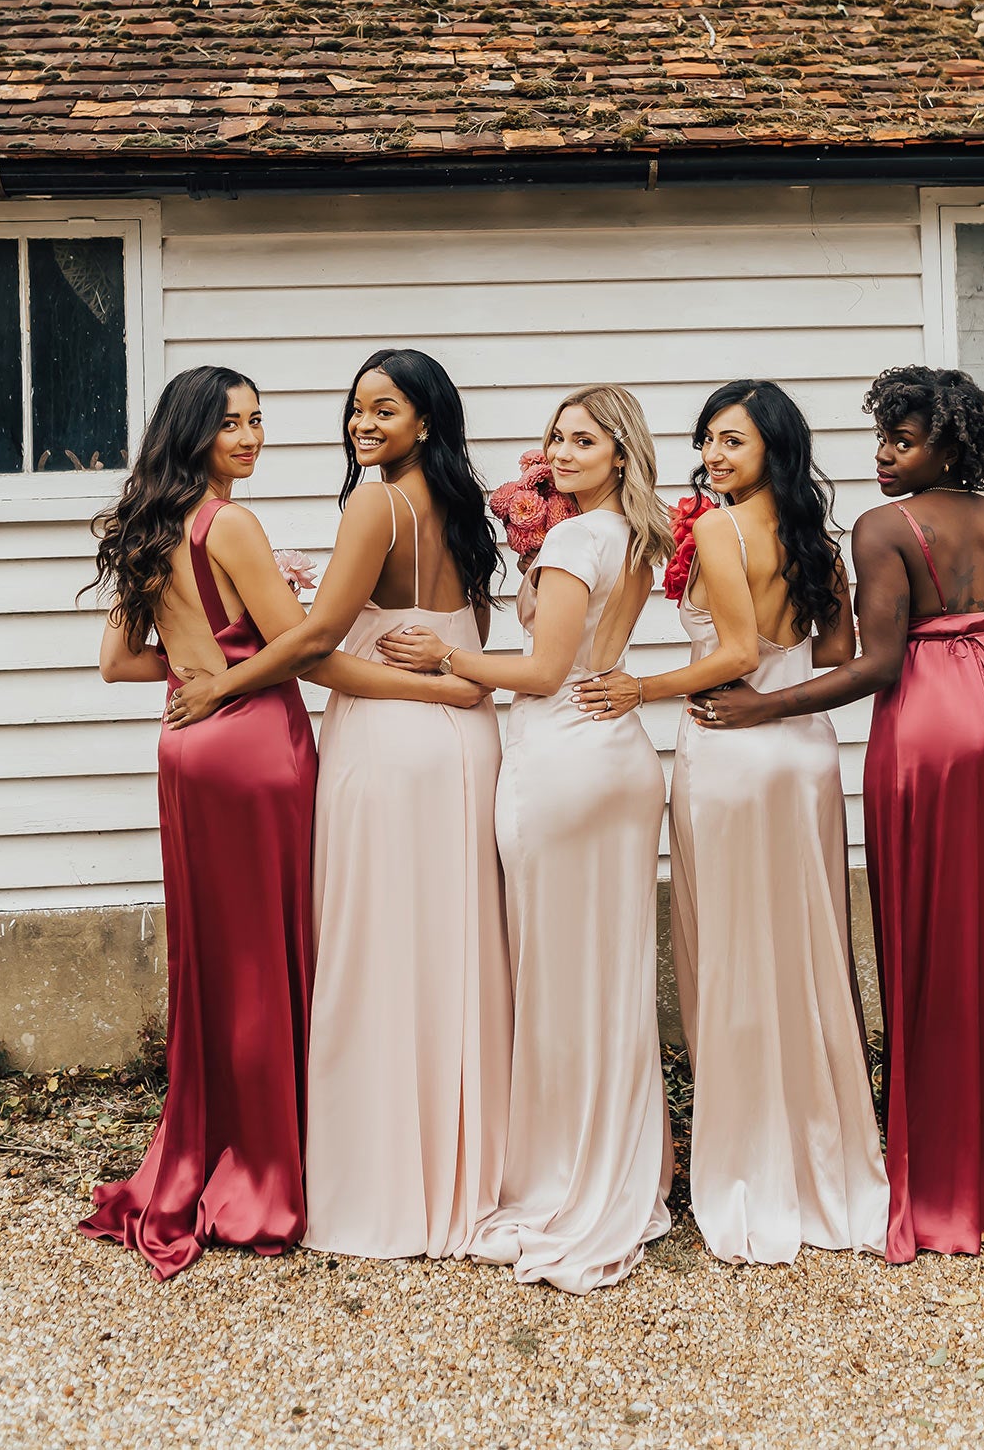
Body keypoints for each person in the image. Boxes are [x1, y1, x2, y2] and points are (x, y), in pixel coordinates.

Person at [690, 366, 984, 1262]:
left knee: (937, 941)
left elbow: (875, 667)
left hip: (926, 737)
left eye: (901, 442)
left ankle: (951, 1177)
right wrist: (983, 690)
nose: (882, 455)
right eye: (881, 437)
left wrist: (763, 706)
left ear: (951, 448)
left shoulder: (885, 527)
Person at [80, 365, 438, 1280]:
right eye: (231, 423)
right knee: (271, 957)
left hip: (185, 747)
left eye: (258, 420)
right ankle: (272, 1173)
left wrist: (200, 665)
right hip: (252, 750)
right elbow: (308, 645)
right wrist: (423, 682)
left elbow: (122, 663)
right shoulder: (231, 523)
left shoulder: (151, 526)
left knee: (216, 958)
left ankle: (214, 1146)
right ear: (194, 431)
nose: (250, 436)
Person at [165, 349, 510, 1261]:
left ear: (425, 422)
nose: (363, 424)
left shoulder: (375, 501)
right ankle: (468, 1169)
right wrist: (458, 692)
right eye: (356, 409)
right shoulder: (464, 507)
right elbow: (454, 635)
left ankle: (385, 1186)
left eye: (384, 411)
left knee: (378, 954)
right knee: (456, 951)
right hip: (467, 746)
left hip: (392, 737)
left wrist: (220, 684)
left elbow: (316, 648)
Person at [575, 380, 889, 1263]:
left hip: (728, 744)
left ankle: (750, 1161)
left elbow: (737, 655)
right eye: (708, 440)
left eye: (733, 442)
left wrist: (641, 686)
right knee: (805, 946)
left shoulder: (714, 530)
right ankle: (822, 1154)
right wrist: (780, 699)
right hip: (806, 750)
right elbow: (832, 657)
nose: (714, 457)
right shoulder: (820, 546)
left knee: (733, 946)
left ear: (772, 450)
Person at [384, 385, 674, 1293]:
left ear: (621, 454)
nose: (562, 451)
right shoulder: (632, 535)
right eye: (556, 437)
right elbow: (590, 659)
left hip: (563, 764)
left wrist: (447, 659)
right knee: (609, 976)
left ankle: (568, 1182)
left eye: (584, 440)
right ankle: (624, 1167)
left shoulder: (579, 540)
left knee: (556, 978)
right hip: (619, 759)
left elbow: (545, 672)